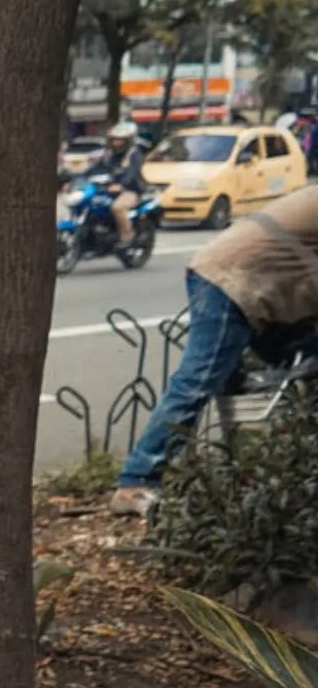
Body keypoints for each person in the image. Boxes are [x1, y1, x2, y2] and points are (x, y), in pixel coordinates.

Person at [111, 184, 318, 517]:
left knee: (300, 360)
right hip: (232, 281)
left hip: (244, 277)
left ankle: (265, 466)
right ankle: (136, 480)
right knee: (198, 379)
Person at [99, 119, 146, 246]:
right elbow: (96, 168)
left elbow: (133, 172)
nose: (116, 142)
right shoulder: (109, 154)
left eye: (120, 140)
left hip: (130, 190)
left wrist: (122, 185)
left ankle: (127, 235)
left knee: (117, 207)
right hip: (108, 189)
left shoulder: (134, 154)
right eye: (114, 139)